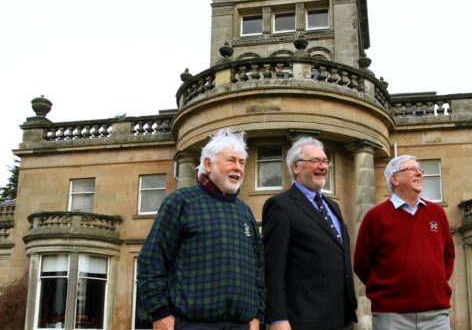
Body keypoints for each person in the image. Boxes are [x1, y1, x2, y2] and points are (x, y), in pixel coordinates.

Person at [137, 129, 264, 330]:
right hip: (190, 324)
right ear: (208, 164)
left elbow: (259, 269)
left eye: (242, 162)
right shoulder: (181, 202)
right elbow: (151, 261)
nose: (238, 168)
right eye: (231, 160)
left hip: (241, 325)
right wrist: (160, 313)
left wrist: (257, 316)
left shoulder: (245, 212)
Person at [262, 137, 357, 330]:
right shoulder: (281, 206)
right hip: (304, 319)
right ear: (296, 167)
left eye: (325, 161)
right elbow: (273, 268)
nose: (322, 166)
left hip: (342, 318)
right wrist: (277, 319)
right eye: (315, 161)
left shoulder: (333, 206)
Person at [354, 155, 455, 330]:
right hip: (391, 316)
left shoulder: (437, 213)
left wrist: (434, 283)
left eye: (420, 170)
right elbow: (362, 263)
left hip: (436, 315)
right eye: (412, 169)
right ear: (395, 179)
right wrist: (385, 290)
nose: (419, 173)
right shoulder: (375, 216)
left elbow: (448, 256)